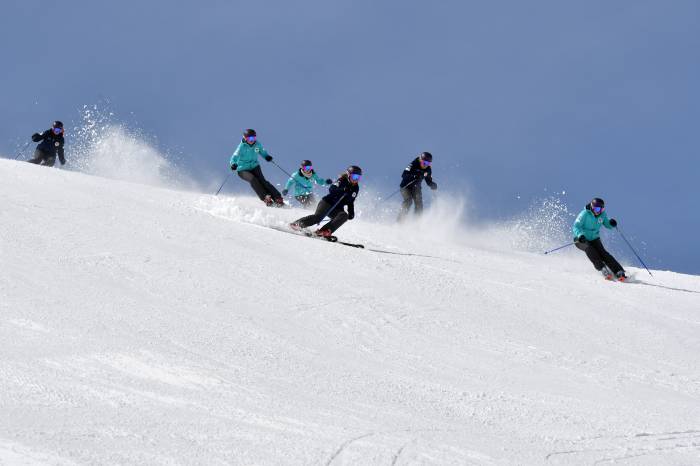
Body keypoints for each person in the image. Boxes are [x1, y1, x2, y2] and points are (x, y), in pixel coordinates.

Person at [290, 165, 362, 237]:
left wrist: (351, 211)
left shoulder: (356, 188)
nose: (356, 179)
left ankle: (324, 231)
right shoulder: (342, 180)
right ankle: (298, 224)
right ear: (348, 174)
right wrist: (342, 190)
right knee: (318, 217)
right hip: (327, 203)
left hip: (337, 208)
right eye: (354, 177)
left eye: (358, 178)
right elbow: (332, 189)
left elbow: (351, 201)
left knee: (344, 215)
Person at [573, 197, 627, 280]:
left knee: (603, 253)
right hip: (580, 239)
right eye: (595, 208)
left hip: (594, 238)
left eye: (600, 209)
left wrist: (611, 223)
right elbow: (576, 226)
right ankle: (602, 268)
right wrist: (580, 235)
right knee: (590, 249)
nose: (597, 211)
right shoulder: (584, 213)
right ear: (591, 207)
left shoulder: (602, 215)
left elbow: (607, 224)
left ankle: (619, 271)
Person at [229, 129, 283, 207]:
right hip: (242, 169)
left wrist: (267, 156)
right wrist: (233, 164)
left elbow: (262, 151)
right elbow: (234, 157)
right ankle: (266, 197)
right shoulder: (241, 147)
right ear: (245, 138)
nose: (252, 140)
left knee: (263, 181)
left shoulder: (257, 145)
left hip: (254, 166)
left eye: (253, 138)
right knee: (253, 180)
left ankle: (277, 197)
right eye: (249, 139)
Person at [397, 151, 437, 221]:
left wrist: (432, 184)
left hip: (416, 187)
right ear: (420, 160)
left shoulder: (428, 169)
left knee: (419, 204)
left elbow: (428, 180)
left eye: (428, 163)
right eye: (423, 162)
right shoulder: (414, 164)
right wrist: (414, 175)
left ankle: (416, 223)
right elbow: (404, 174)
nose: (425, 165)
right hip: (406, 186)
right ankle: (400, 220)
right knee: (408, 201)